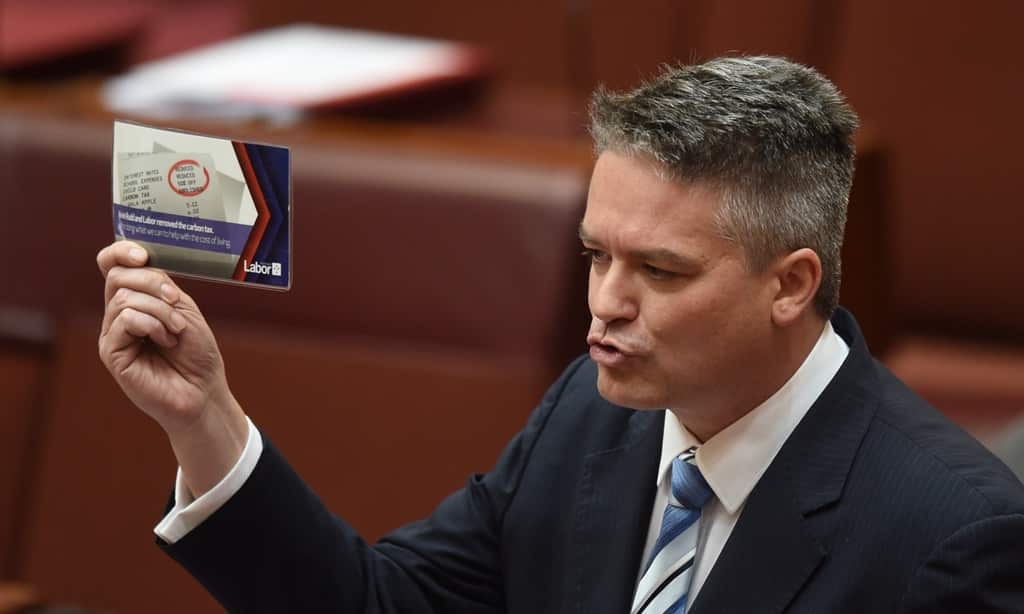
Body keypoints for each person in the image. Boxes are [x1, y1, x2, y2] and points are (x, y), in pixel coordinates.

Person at [97, 56, 1024, 613]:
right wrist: (204, 418)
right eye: (595, 255)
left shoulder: (955, 535)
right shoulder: (591, 413)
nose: (606, 304)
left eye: (659, 271)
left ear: (790, 286)